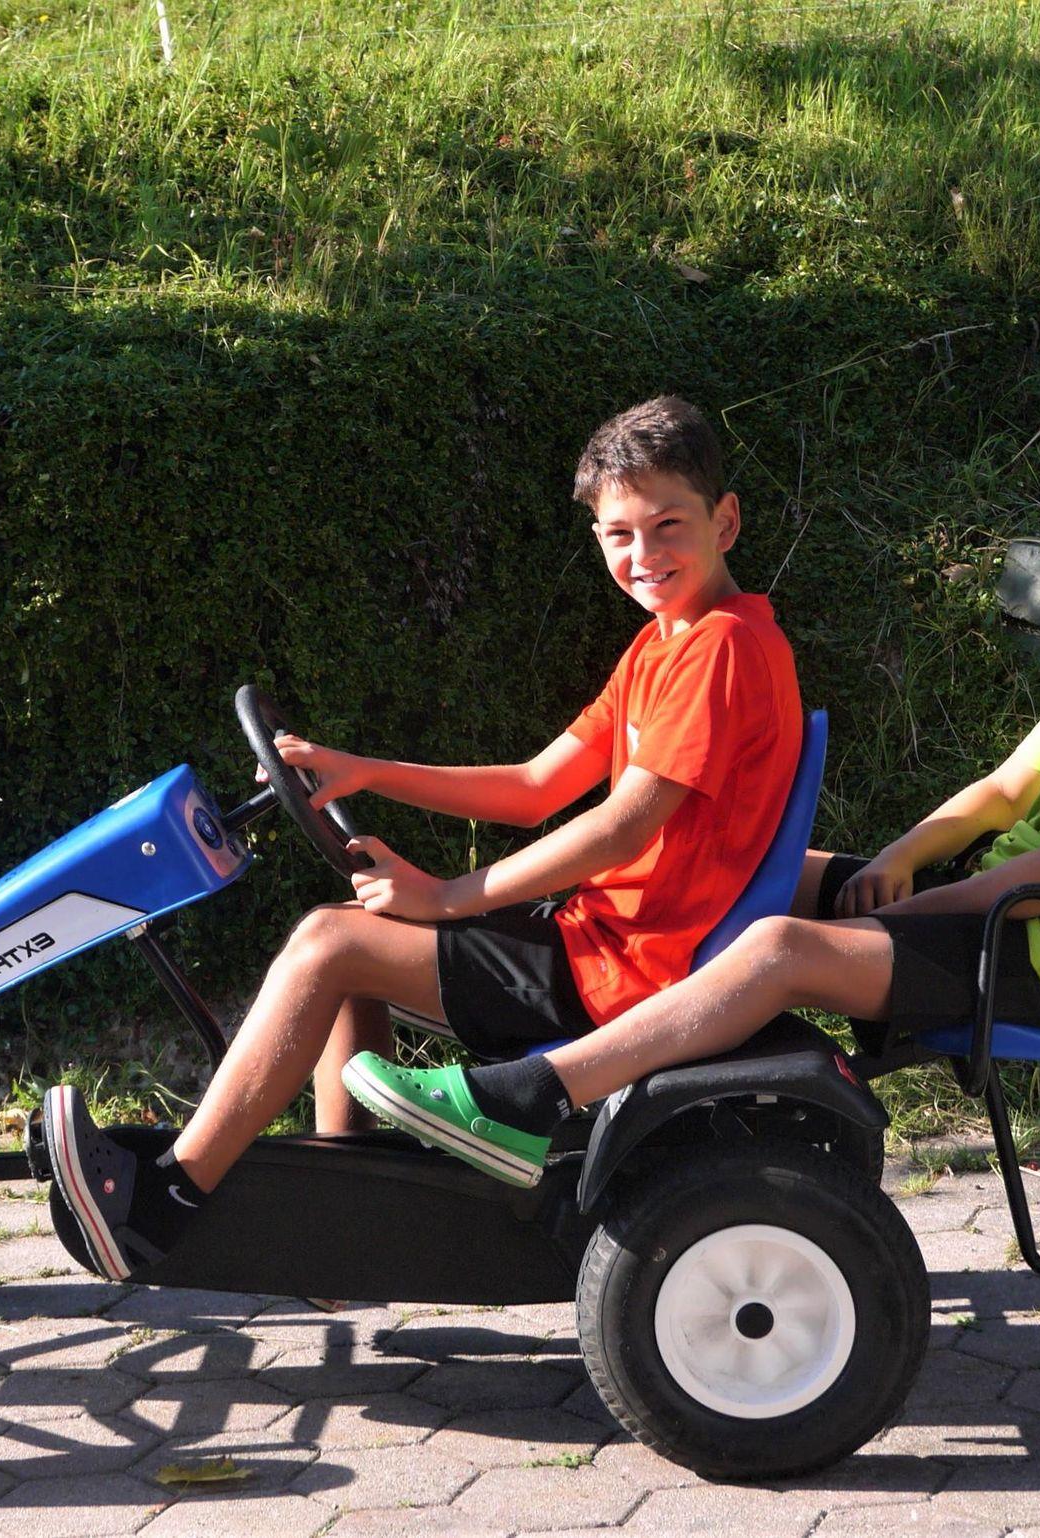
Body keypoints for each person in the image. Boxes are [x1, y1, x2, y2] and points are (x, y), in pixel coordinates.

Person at [348, 411, 1040, 1182]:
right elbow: (1004, 791)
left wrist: (907, 913)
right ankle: (657, 1005)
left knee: (777, 946)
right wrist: (898, 859)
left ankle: (530, 1097)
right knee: (782, 872)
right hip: (1019, 922)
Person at [39, 396, 804, 1275]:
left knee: (329, 944)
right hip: (602, 942)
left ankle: (161, 1205)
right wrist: (364, 770)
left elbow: (621, 826)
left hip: (626, 969)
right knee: (351, 939)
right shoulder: (664, 647)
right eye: (619, 535)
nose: (644, 555)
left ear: (725, 521)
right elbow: (534, 787)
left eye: (668, 526)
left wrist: (447, 897)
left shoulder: (721, 648)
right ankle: (338, 1233)